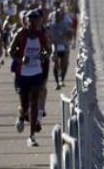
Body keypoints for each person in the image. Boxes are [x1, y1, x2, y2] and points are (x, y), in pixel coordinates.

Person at [8, 10, 52, 147]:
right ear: (26, 21)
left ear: (39, 21)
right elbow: (11, 50)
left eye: (36, 20)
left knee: (34, 101)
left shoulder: (42, 35)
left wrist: (44, 56)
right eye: (30, 20)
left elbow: (48, 50)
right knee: (25, 106)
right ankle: (21, 116)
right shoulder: (20, 34)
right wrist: (20, 59)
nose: (33, 23)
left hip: (36, 73)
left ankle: (31, 136)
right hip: (22, 74)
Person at [48, 9, 74, 90]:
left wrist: (67, 35)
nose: (57, 17)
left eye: (58, 15)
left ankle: (62, 79)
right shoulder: (51, 26)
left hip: (64, 45)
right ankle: (57, 83)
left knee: (64, 63)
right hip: (54, 46)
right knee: (56, 64)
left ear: (61, 16)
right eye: (55, 16)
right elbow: (47, 36)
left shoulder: (65, 24)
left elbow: (70, 34)